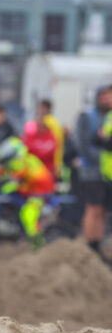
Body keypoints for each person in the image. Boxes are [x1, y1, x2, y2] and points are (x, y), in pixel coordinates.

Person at [0, 137, 55, 251]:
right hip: (29, 191)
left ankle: (37, 243)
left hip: (39, 194)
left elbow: (17, 173)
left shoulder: (25, 161)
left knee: (28, 214)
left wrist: (2, 174)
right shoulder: (22, 160)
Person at [74, 85, 112, 260]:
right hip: (91, 170)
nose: (107, 100)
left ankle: (96, 244)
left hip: (106, 173)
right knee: (93, 207)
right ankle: (89, 244)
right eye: (104, 97)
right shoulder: (87, 116)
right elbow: (82, 143)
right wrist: (95, 159)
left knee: (102, 209)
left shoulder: (108, 117)